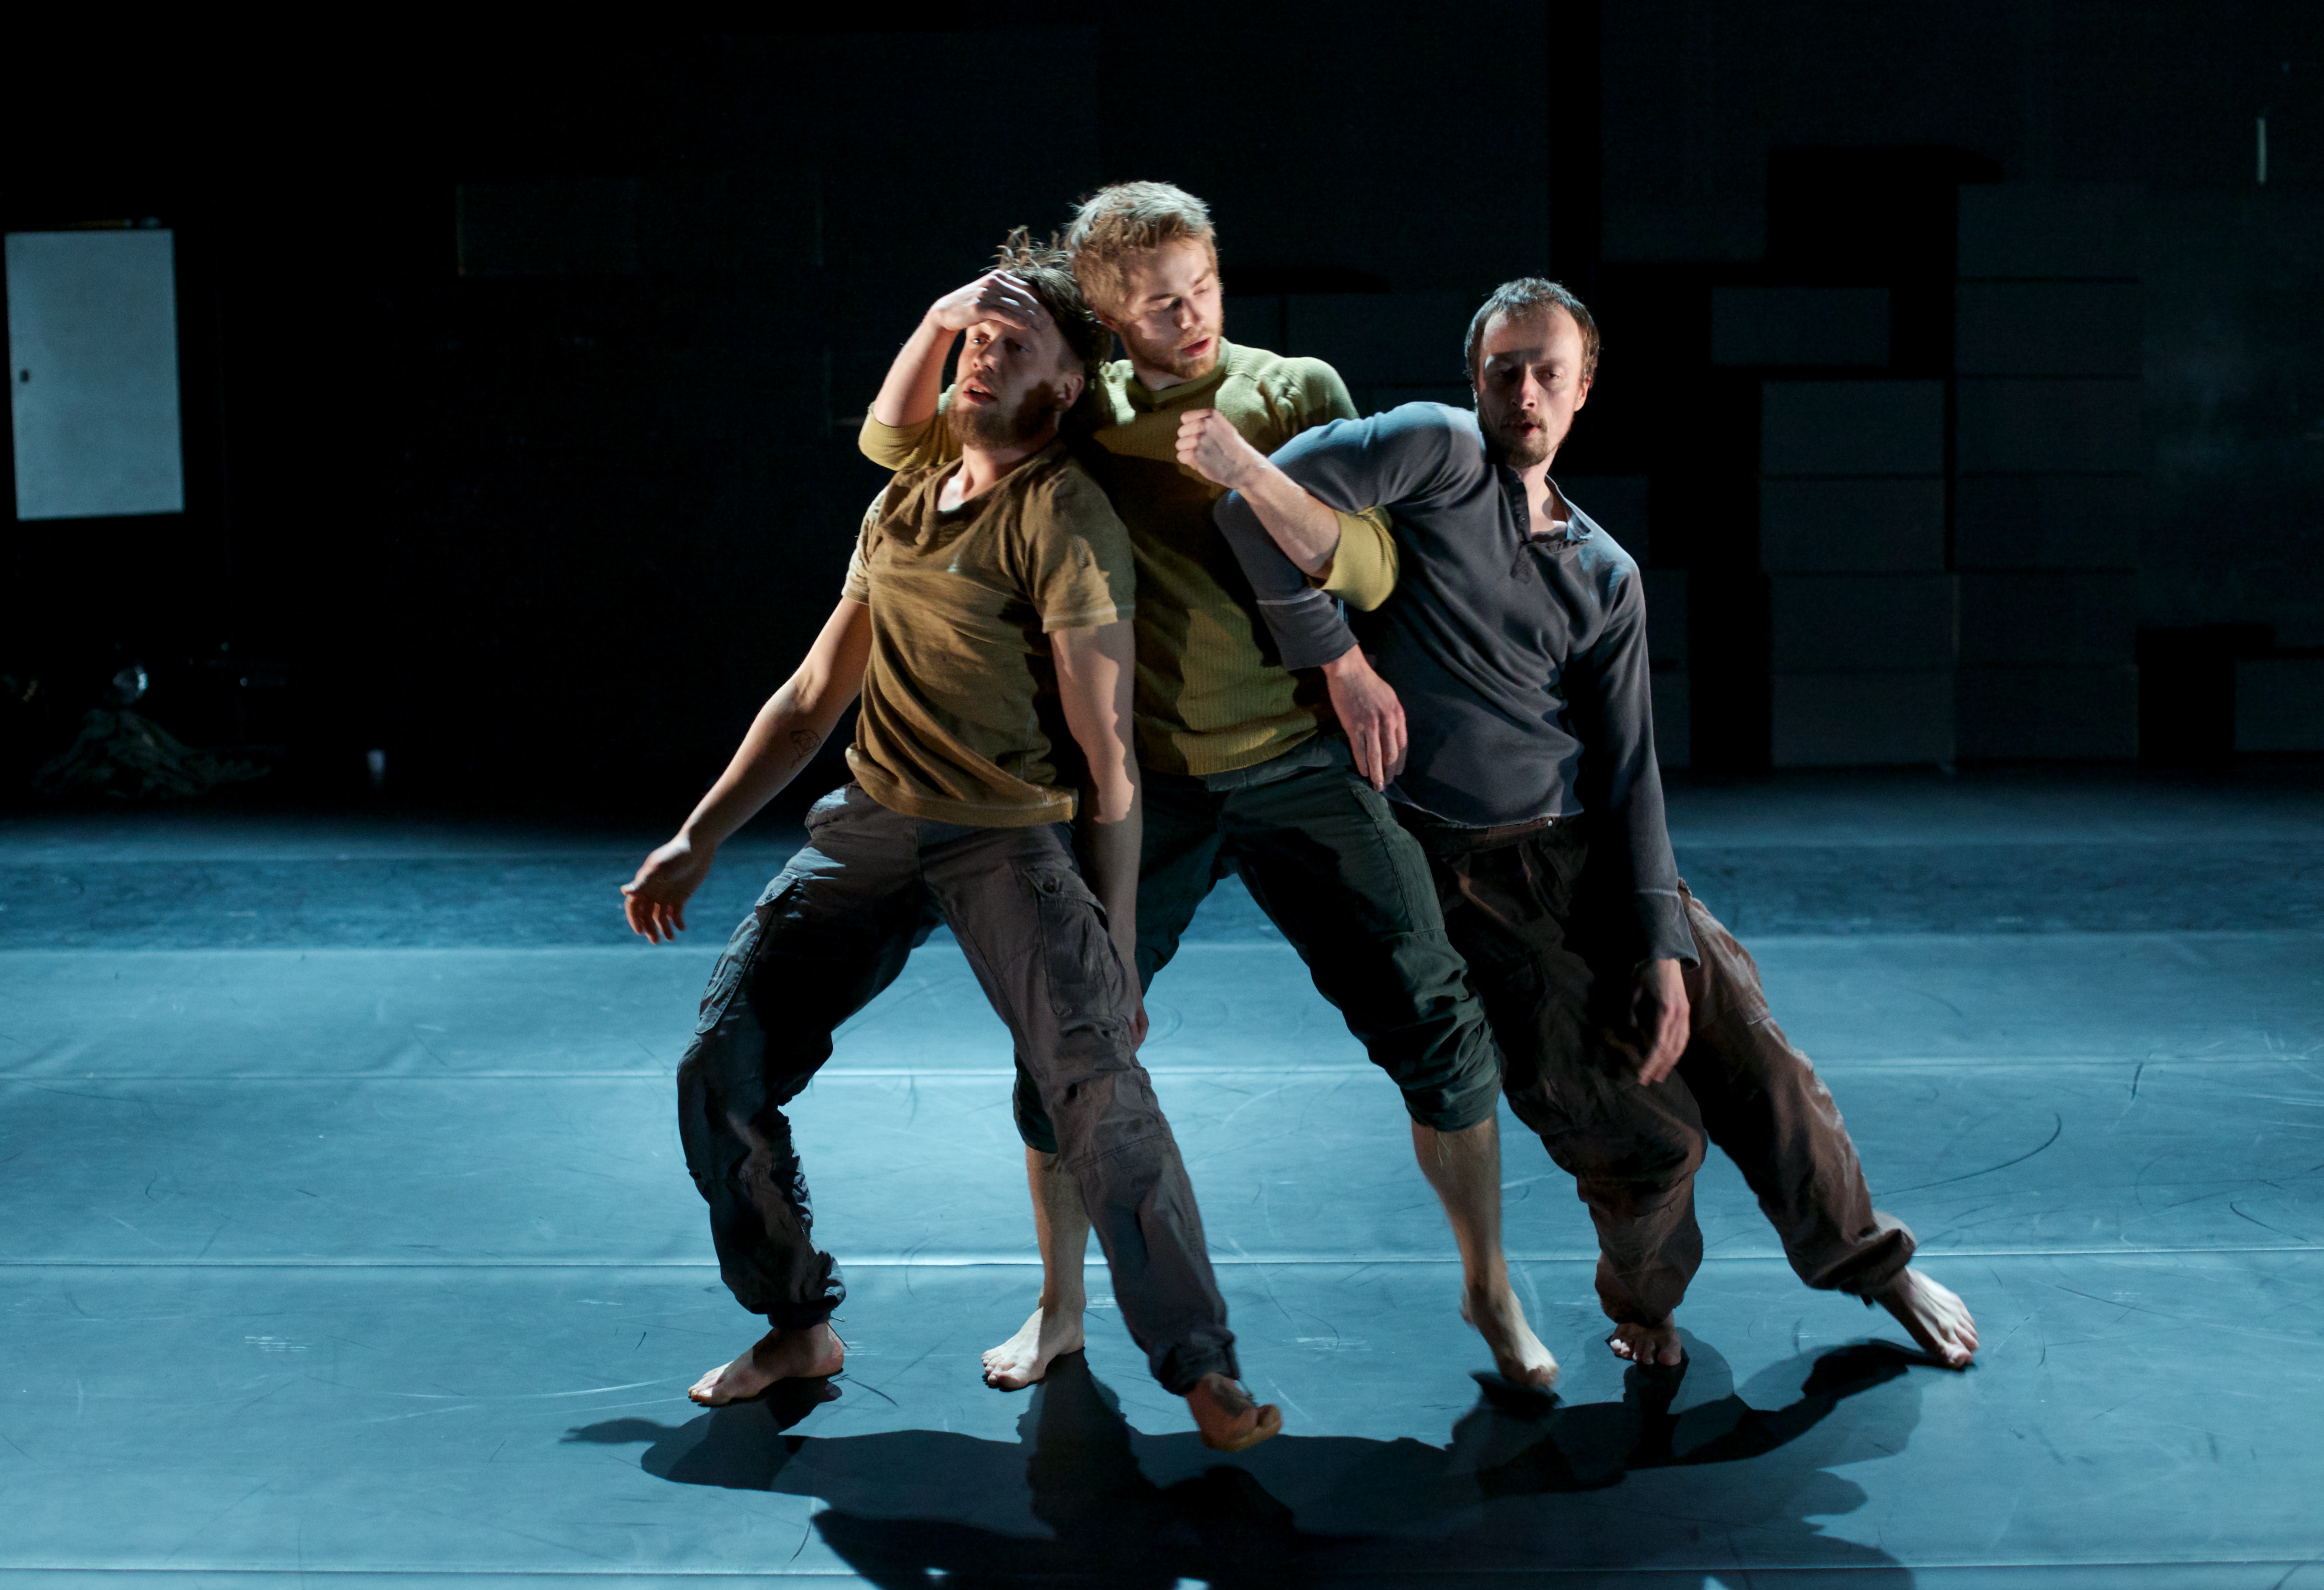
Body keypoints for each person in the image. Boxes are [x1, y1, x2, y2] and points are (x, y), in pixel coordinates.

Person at [1187, 275, 1979, 1370]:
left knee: (1767, 1072)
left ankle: (1873, 1266)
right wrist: (1338, 660)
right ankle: (1645, 1306)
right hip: (1473, 875)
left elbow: (1628, 769)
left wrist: (1659, 940)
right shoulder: (1431, 450)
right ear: (1476, 380)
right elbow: (1244, 504)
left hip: (1590, 848)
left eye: (1546, 373)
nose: (1523, 392)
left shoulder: (1605, 572)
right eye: (1503, 370)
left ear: (1582, 388)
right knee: (1643, 1138)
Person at [860, 183, 1572, 1395]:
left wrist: (1248, 472)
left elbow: (1367, 565)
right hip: (1149, 788)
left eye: (1203, 289)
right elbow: (896, 448)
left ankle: (1490, 1288)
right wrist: (940, 322)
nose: (1191, 318)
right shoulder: (1079, 410)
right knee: (1064, 1046)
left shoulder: (1292, 390)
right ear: (1106, 318)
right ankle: (1060, 1305)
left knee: (1436, 1023)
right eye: (1158, 306)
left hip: (1300, 764)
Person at [620, 232, 1278, 1451]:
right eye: (975, 340)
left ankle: (1200, 1365)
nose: (981, 358)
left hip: (1005, 838)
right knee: (720, 1069)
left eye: (1011, 345)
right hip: (872, 824)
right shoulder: (905, 498)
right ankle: (797, 1324)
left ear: (1065, 383)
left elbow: (1109, 757)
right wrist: (697, 837)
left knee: (1097, 1090)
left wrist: (1116, 934)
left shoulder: (1064, 516)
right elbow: (810, 697)